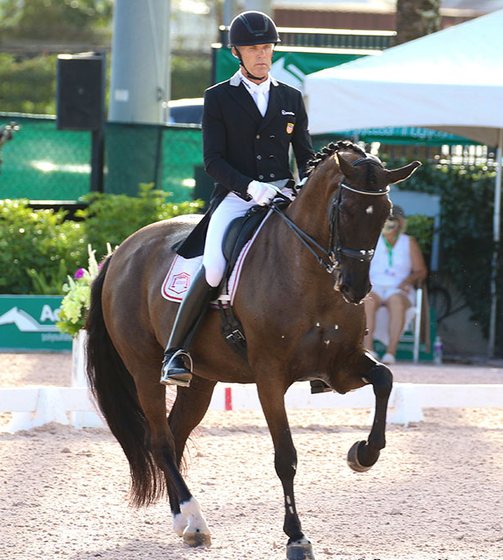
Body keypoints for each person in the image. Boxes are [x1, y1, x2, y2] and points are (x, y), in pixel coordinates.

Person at [160, 11, 315, 387]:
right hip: (236, 197)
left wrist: (301, 186)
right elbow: (213, 160)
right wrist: (251, 187)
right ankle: (176, 353)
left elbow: (306, 155)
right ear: (237, 53)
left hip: (282, 196)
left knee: (317, 255)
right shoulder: (219, 97)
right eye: (253, 49)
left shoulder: (291, 97)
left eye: (266, 47)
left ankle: (322, 351)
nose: (262, 55)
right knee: (213, 266)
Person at [364, 205, 427, 365]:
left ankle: (390, 352)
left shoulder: (408, 242)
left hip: (398, 288)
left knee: (397, 302)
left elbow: (421, 270)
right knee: (367, 301)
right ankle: (368, 350)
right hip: (374, 286)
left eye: (392, 219)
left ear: (399, 222)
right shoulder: (371, 239)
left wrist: (407, 281)